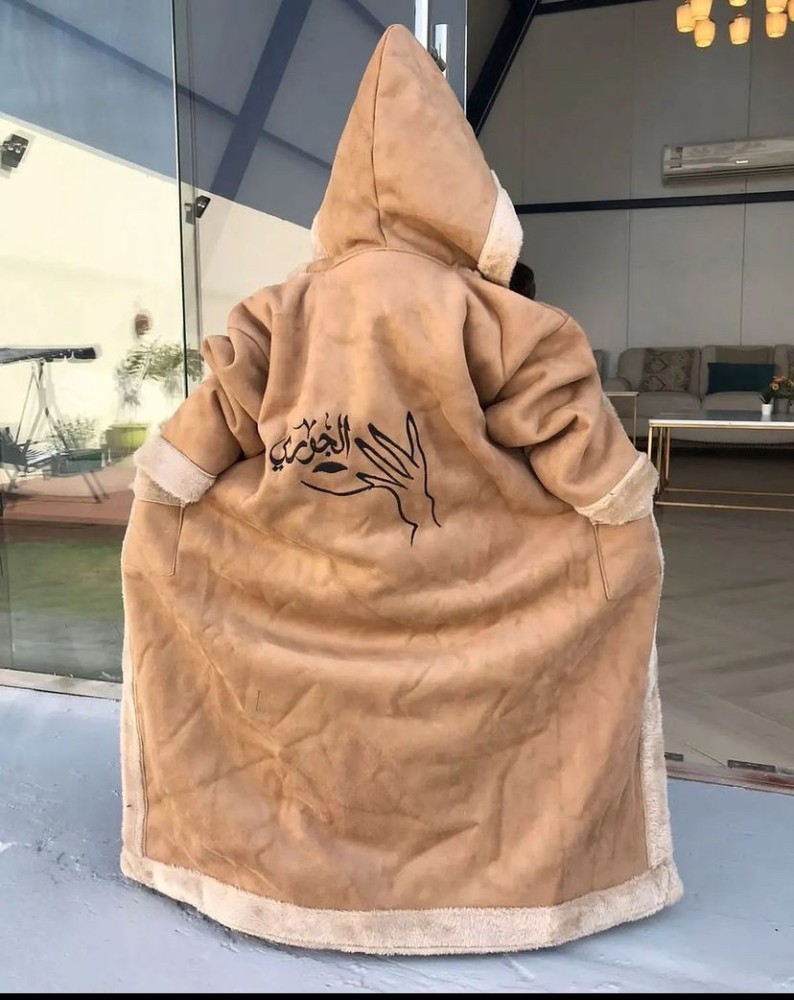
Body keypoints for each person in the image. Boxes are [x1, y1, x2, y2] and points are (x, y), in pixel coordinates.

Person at [120, 25, 680, 955]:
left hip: (307, 579)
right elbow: (581, 448)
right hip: (459, 576)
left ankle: (283, 879)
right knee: (467, 698)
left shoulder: (281, 309)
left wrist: (164, 506)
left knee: (311, 714)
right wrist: (620, 515)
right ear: (465, 195)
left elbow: (199, 438)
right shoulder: (492, 313)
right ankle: (493, 882)